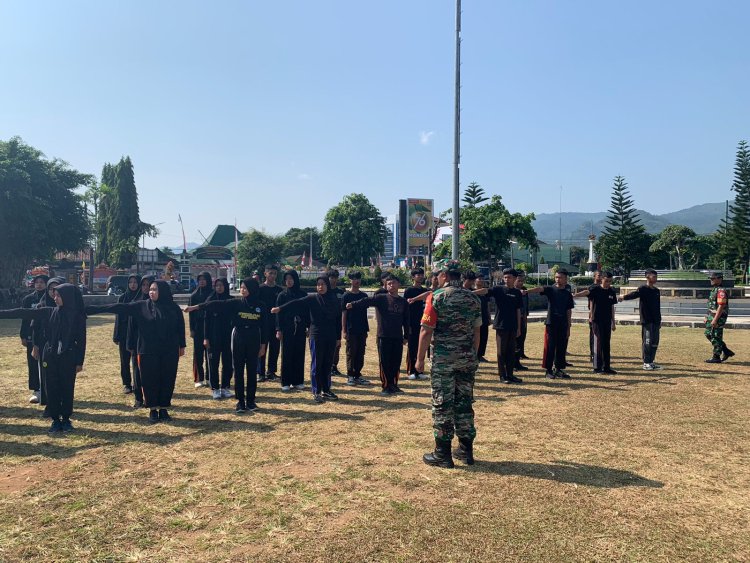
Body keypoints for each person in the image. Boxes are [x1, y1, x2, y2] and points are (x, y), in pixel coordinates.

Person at [88, 280, 186, 423]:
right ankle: (152, 409)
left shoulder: (173, 308)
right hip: (147, 350)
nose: (151, 292)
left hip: (169, 351)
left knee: (167, 379)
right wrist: (92, 309)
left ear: (163, 291)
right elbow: (119, 307)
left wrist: (181, 346)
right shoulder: (142, 306)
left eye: (155, 289)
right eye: (150, 289)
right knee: (149, 379)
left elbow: (180, 328)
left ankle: (163, 408)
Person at [415, 260, 481, 468]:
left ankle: (442, 453)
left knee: (443, 403)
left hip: (444, 359)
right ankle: (465, 449)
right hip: (466, 358)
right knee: (464, 402)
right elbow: (477, 331)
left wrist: (419, 360)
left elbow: (426, 330)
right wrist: (473, 355)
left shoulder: (436, 297)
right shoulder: (473, 298)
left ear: (443, 276)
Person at [1, 284, 87, 433]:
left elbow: (82, 341)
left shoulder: (77, 317)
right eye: (54, 295)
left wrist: (79, 361)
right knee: (51, 387)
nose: (55, 298)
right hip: (50, 356)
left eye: (58, 295)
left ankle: (66, 419)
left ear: (67, 297)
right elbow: (23, 312)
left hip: (68, 357)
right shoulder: (49, 312)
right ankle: (55, 420)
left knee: (67, 387)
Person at [186, 278, 267, 412]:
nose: (242, 290)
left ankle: (251, 401)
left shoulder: (261, 305)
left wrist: (263, 345)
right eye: (241, 287)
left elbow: (265, 326)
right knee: (239, 371)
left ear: (252, 289)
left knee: (252, 371)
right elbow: (216, 304)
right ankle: (240, 402)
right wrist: (196, 307)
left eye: (245, 288)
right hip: (238, 337)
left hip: (253, 338)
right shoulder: (236, 303)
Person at [272, 276, 341, 403]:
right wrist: (280, 308)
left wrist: (338, 337)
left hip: (330, 336)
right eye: (318, 284)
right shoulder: (312, 298)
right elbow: (296, 303)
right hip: (317, 335)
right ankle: (316, 391)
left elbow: (338, 320)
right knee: (317, 364)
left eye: (323, 284)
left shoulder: (334, 299)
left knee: (327, 364)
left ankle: (326, 390)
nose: (320, 287)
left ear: (327, 286)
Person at [346, 274, 409, 396]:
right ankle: (386, 386)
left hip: (397, 336)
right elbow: (366, 301)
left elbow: (406, 320)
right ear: (385, 285)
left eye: (393, 283)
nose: (391, 285)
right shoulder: (381, 298)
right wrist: (353, 304)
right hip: (384, 335)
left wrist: (406, 336)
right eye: (389, 283)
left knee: (396, 362)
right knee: (384, 362)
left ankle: (394, 385)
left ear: (398, 285)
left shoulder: (403, 302)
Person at [527, 269, 575, 379]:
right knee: (550, 347)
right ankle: (548, 370)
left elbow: (569, 310)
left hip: (563, 324)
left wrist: (568, 326)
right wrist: (527, 291)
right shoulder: (550, 289)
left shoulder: (568, 294)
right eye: (556, 277)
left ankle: (558, 369)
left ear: (566, 279)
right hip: (551, 323)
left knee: (561, 347)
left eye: (560, 277)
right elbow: (539, 288)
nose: (558, 279)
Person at [481, 268, 523, 384]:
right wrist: (469, 292)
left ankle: (510, 375)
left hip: (513, 326)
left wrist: (519, 328)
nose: (506, 279)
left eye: (509, 277)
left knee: (511, 351)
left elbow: (518, 311)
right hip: (501, 325)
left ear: (515, 279)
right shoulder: (498, 289)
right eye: (505, 277)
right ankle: (502, 375)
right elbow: (485, 291)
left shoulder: (517, 293)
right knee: (501, 352)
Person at [619, 268, 662, 370]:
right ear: (647, 277)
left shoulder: (656, 291)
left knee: (655, 342)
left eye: (656, 276)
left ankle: (651, 361)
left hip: (656, 320)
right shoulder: (643, 289)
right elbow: (633, 295)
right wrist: (623, 297)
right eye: (653, 276)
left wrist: (659, 320)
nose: (655, 278)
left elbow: (657, 306)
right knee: (647, 341)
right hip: (647, 320)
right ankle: (646, 362)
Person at [575, 271, 618, 374]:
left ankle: (606, 367)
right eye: (606, 281)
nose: (608, 283)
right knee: (598, 344)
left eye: (610, 281)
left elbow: (612, 307)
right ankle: (597, 367)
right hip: (597, 321)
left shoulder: (611, 291)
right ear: (601, 280)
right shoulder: (595, 289)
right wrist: (576, 295)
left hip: (607, 321)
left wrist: (613, 321)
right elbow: (586, 292)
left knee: (606, 344)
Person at [275, 270, 309, 391]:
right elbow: (278, 314)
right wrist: (278, 329)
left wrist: (308, 327)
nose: (288, 281)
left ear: (295, 280)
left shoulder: (303, 294)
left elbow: (307, 312)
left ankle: (298, 381)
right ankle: (285, 381)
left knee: (299, 353)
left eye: (291, 278)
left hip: (300, 327)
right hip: (287, 328)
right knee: (287, 354)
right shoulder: (282, 295)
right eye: (286, 279)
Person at [203, 277, 234, 399]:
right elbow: (206, 321)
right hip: (213, 337)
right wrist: (206, 338)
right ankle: (215, 388)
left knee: (227, 363)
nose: (219, 287)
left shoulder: (231, 301)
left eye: (221, 285)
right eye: (217, 285)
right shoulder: (210, 300)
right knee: (213, 363)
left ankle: (225, 387)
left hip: (227, 337)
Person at [20, 274, 48, 404]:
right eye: (37, 282)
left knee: (47, 363)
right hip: (32, 336)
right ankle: (36, 390)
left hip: (47, 336)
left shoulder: (51, 298)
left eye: (42, 282)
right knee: (33, 363)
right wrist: (23, 335)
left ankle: (48, 389)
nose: (39, 284)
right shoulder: (28, 299)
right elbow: (24, 319)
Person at [127, 275, 154, 408]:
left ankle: (152, 398)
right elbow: (131, 326)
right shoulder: (136, 303)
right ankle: (138, 398)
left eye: (148, 285)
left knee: (151, 372)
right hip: (138, 343)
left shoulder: (158, 303)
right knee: (137, 371)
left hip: (154, 344)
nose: (145, 288)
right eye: (143, 285)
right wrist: (130, 344)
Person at [341, 270, 371, 386]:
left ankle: (358, 374)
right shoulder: (346, 296)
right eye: (354, 279)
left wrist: (366, 330)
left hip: (362, 328)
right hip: (351, 328)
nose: (356, 281)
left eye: (358, 278)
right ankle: (350, 375)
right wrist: (343, 330)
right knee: (351, 352)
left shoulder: (364, 296)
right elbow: (344, 313)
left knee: (360, 352)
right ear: (350, 280)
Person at [113, 274, 140, 394]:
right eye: (131, 282)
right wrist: (116, 335)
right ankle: (126, 383)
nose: (133, 285)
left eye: (135, 282)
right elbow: (118, 318)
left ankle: (138, 383)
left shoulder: (142, 298)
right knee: (124, 360)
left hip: (138, 334)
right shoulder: (123, 298)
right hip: (124, 333)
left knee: (137, 360)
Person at [403, 267, 429, 379]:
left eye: (421, 274)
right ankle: (411, 370)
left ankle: (420, 371)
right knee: (412, 347)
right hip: (412, 322)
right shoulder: (409, 291)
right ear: (413, 277)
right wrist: (406, 325)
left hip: (423, 322)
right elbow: (405, 308)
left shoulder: (425, 291)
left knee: (421, 347)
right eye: (418, 275)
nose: (420, 276)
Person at [258, 265, 282, 382]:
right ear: (265, 274)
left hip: (275, 323)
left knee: (275, 348)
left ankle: (271, 372)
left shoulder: (280, 290)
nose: (272, 275)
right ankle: (260, 373)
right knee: (261, 347)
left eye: (274, 273)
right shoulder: (259, 289)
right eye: (270, 273)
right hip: (262, 323)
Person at [188, 271, 212, 388]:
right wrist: (192, 329)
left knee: (210, 353)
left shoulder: (212, 294)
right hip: (198, 328)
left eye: (204, 279)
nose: (202, 281)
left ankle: (209, 377)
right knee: (198, 354)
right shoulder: (194, 295)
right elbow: (191, 315)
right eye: (200, 279)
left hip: (210, 328)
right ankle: (199, 378)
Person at [704, 272, 734, 363]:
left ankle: (716, 356)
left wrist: (715, 319)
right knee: (708, 333)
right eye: (711, 278)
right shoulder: (714, 290)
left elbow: (721, 306)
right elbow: (711, 305)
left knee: (716, 335)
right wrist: (707, 316)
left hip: (719, 317)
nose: (711, 280)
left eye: (713, 278)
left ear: (719, 279)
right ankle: (726, 351)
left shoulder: (721, 291)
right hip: (711, 316)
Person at [327, 270, 346, 376]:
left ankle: (334, 366)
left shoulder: (341, 292)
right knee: (327, 345)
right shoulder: (325, 291)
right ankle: (327, 365)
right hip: (327, 323)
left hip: (337, 322)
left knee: (337, 345)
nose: (333, 280)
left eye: (335, 277)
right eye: (331, 277)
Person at [513, 271, 530, 368]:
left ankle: (518, 360)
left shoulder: (524, 290)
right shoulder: (512, 291)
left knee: (521, 340)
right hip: (514, 320)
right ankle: (513, 363)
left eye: (522, 281)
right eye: (519, 281)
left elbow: (526, 305)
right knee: (514, 343)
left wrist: (525, 319)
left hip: (523, 319)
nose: (521, 283)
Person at [474, 274, 491, 363]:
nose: (481, 280)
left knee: (484, 337)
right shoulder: (471, 291)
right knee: (475, 336)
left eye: (482, 279)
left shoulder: (485, 292)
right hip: (475, 318)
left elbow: (488, 305)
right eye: (479, 278)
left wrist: (489, 317)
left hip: (484, 317)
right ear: (475, 280)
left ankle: (480, 355)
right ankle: (474, 355)